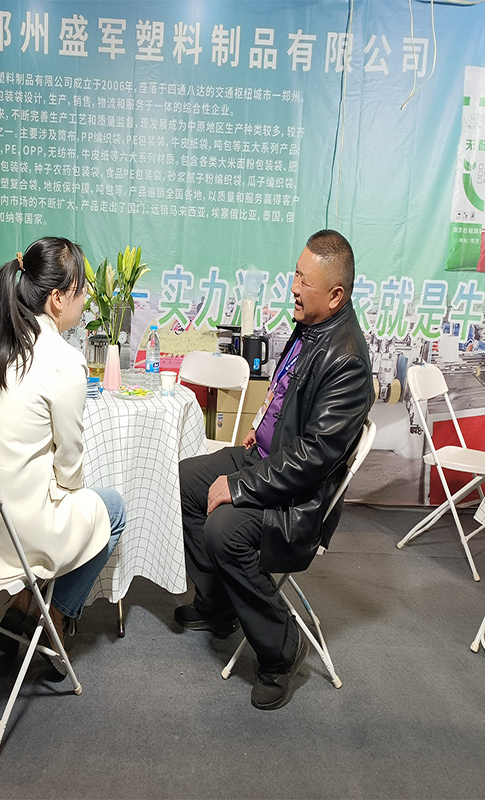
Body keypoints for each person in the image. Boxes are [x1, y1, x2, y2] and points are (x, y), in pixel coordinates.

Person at [176, 229, 374, 710]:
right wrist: (261, 425)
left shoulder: (347, 360)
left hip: (300, 498)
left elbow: (314, 456)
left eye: (304, 281)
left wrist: (239, 486)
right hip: (267, 459)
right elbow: (288, 396)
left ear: (336, 295)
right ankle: (218, 606)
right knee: (184, 480)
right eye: (295, 275)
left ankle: (282, 650)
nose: (294, 288)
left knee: (224, 529)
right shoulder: (313, 325)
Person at [0, 236, 126, 676]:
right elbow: (69, 468)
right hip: (17, 537)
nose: (86, 299)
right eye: (81, 290)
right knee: (112, 509)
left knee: (57, 501)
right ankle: (55, 619)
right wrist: (68, 492)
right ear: (57, 299)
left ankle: (22, 602)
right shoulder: (64, 362)